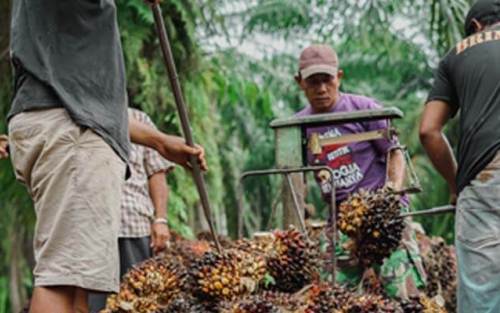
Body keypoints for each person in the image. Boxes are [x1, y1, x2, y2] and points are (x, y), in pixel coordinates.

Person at [7, 1, 206, 313]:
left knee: (75, 289)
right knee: (61, 280)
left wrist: (159, 141)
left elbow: (92, 105)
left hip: (68, 125)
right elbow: (80, 107)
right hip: (71, 132)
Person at [294, 44, 426, 299]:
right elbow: (293, 174)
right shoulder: (299, 125)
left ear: (339, 77)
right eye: (313, 82)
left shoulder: (364, 108)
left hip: (383, 215)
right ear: (300, 83)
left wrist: (391, 193)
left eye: (327, 80)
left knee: (404, 295)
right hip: (341, 221)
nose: (321, 89)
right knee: (331, 296)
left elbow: (394, 152)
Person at [419, 1, 500, 311]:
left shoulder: (456, 54)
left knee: (483, 295)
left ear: (476, 27)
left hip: (486, 176)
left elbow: (429, 130)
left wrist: (456, 186)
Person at [88, 108, 175, 313]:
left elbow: (157, 173)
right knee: (96, 306)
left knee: (141, 301)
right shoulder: (81, 113)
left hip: (133, 225)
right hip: (93, 229)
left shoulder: (140, 119)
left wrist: (160, 219)